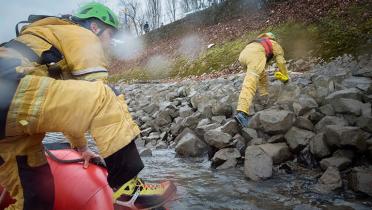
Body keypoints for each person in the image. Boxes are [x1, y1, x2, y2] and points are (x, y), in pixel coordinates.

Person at [0, 2, 176, 210]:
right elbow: (96, 92)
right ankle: (129, 190)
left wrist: (81, 147)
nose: (110, 44)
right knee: (106, 96)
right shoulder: (81, 35)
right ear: (95, 27)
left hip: (9, 115)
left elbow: (68, 106)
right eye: (110, 35)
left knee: (36, 198)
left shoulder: (48, 35)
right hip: (11, 89)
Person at [234, 32, 289, 127]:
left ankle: (264, 96)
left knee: (262, 74)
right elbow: (280, 61)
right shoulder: (274, 44)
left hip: (243, 56)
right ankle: (242, 113)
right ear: (273, 38)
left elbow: (262, 64)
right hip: (254, 56)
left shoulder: (258, 42)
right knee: (250, 83)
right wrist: (285, 76)